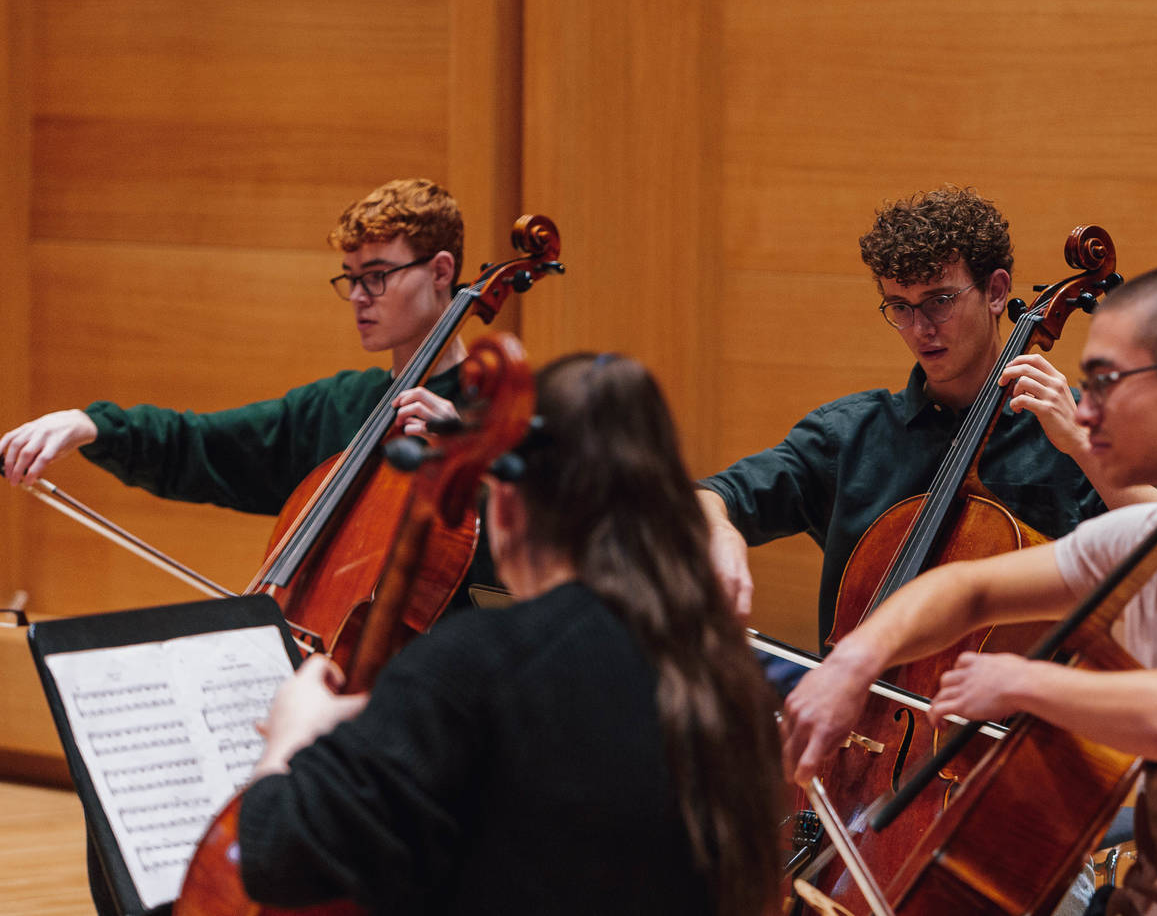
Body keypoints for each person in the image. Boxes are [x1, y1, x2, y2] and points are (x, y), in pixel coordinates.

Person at [782, 264, 1157, 916]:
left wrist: (1025, 682)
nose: (1083, 410)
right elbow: (965, 589)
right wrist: (853, 662)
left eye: (1104, 382)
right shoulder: (1144, 536)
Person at [233, 352, 783, 916]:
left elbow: (278, 856)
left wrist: (291, 737)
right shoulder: (724, 674)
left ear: (509, 504)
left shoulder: (476, 666)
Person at [697, 185, 1150, 638]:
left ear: (995, 291)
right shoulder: (847, 436)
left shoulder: (1074, 428)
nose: (920, 329)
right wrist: (719, 531)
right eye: (901, 307)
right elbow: (709, 497)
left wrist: (1081, 446)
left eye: (939, 301)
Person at [1, 177, 470, 523]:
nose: (359, 297)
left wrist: (470, 455)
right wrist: (92, 426)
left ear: (440, 272)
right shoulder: (335, 408)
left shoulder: (497, 411)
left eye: (377, 276)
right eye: (351, 278)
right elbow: (201, 444)